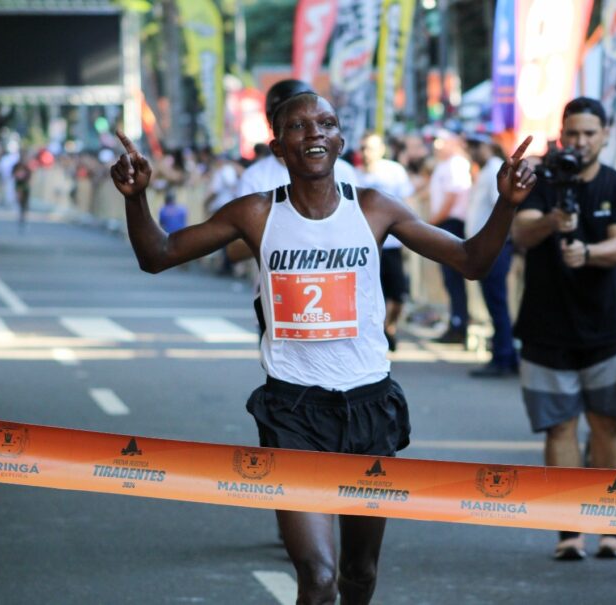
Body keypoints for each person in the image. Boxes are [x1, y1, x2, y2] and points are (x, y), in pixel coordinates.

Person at [110, 92, 536, 604]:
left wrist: (506, 205)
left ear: (340, 140)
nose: (314, 132)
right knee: (318, 578)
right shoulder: (256, 214)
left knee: (360, 574)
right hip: (294, 412)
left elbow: (470, 260)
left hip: (369, 406)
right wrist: (136, 198)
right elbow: (157, 255)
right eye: (298, 126)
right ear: (278, 147)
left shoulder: (375, 209)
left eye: (326, 123)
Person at [511, 97, 616, 561]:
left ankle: (613, 525)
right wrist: (551, 222)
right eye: (573, 133)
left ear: (605, 134)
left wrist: (588, 253)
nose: (580, 142)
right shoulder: (542, 181)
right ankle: (569, 530)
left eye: (590, 133)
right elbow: (521, 234)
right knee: (558, 429)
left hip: (604, 331)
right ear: (562, 134)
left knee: (607, 426)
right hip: (546, 331)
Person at [465, 132, 518, 377]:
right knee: (494, 303)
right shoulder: (485, 171)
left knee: (497, 303)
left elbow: (503, 210)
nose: (473, 150)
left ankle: (504, 356)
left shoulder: (496, 169)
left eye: (477, 145)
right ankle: (504, 354)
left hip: (495, 249)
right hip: (486, 248)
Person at [357, 132, 415, 351]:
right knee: (370, 294)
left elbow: (408, 203)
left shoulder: (394, 171)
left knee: (398, 293)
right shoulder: (354, 175)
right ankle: (376, 332)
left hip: (392, 245)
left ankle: (389, 327)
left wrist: (410, 237)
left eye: (370, 147)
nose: (366, 152)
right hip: (366, 248)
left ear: (381, 149)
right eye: (363, 148)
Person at [428, 129, 472, 344]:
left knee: (453, 279)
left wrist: (434, 221)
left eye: (441, 141)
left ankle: (459, 324)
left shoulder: (456, 164)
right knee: (450, 279)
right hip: (445, 223)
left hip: (451, 224)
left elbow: (453, 195)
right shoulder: (447, 164)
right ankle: (457, 321)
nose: (437, 146)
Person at [12, 151, 33, 231]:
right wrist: (18, 175)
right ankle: (21, 213)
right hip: (19, 186)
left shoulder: (27, 166)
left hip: (25, 186)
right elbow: (13, 174)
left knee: (25, 202)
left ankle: (24, 214)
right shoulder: (16, 165)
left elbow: (30, 176)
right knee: (19, 200)